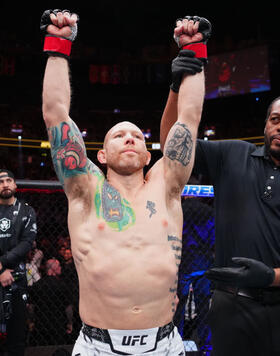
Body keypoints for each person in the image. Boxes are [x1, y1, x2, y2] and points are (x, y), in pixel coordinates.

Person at [40, 9, 210, 355]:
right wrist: (58, 43)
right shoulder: (86, 190)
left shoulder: (166, 186)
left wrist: (194, 48)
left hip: (164, 343)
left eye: (137, 135)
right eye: (118, 135)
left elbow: (189, 119)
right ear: (100, 156)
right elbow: (55, 114)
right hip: (98, 346)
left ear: (150, 156)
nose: (129, 138)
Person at [160, 22, 280, 356]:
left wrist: (271, 276)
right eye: (275, 119)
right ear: (266, 124)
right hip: (231, 304)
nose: (279, 127)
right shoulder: (234, 154)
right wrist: (175, 88)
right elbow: (173, 145)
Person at [0, 169, 37, 356]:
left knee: (17, 334)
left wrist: (3, 264)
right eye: (1, 181)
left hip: (17, 277)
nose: (5, 184)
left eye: (8, 180)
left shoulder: (27, 210)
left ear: (15, 184)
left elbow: (26, 243)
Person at [27, 258, 74, 346]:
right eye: (59, 266)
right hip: (58, 325)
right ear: (53, 268)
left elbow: (31, 307)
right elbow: (68, 308)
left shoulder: (37, 286)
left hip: (41, 326)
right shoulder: (62, 285)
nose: (61, 268)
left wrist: (31, 321)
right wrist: (70, 322)